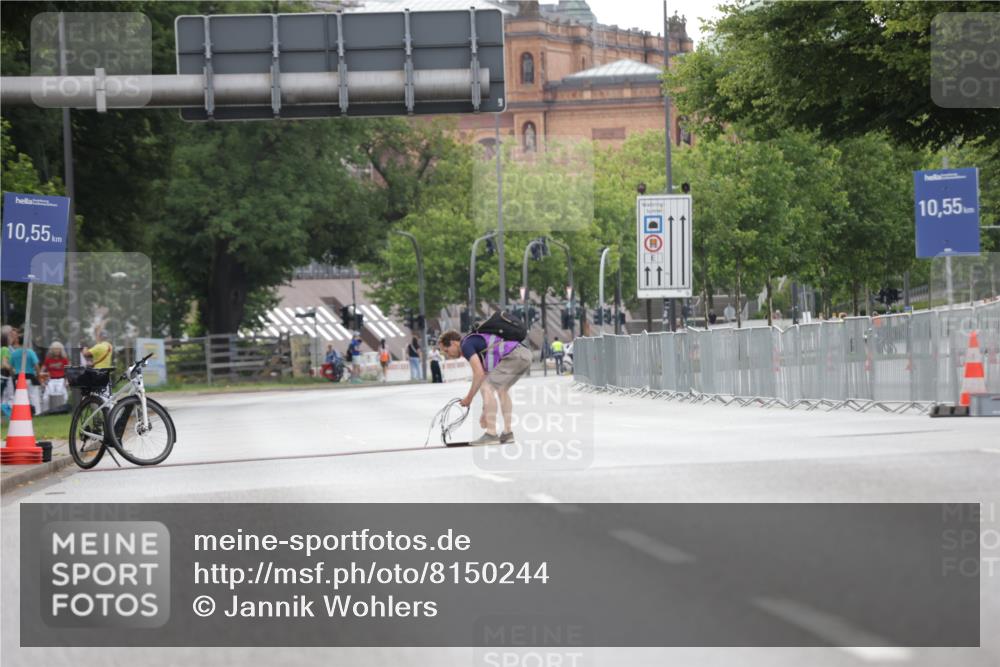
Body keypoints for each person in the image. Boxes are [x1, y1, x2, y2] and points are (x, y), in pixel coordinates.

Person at [438, 328, 531, 446]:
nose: (447, 355)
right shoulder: (475, 344)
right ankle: (507, 433)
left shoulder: (466, 345)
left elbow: (479, 374)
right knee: (501, 390)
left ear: (453, 343)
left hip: (514, 355)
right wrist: (485, 412)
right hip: (524, 354)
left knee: (487, 387)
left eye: (446, 350)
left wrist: (469, 398)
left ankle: (491, 434)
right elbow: (485, 376)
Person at [7, 326, 41, 414]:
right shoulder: (30, 352)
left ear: (18, 341)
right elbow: (36, 365)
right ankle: (35, 412)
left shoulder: (14, 353)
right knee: (32, 395)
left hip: (18, 377)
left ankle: (21, 412)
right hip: (29, 376)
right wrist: (38, 374)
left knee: (20, 396)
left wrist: (13, 376)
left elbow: (11, 367)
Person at [41, 341, 70, 412]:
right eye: (55, 349)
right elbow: (42, 371)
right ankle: (46, 411)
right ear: (52, 350)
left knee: (64, 397)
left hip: (61, 380)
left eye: (58, 349)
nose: (56, 351)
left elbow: (68, 371)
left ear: (61, 350)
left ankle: (63, 411)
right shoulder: (48, 359)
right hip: (50, 380)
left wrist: (67, 381)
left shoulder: (64, 360)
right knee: (46, 397)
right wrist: (43, 380)